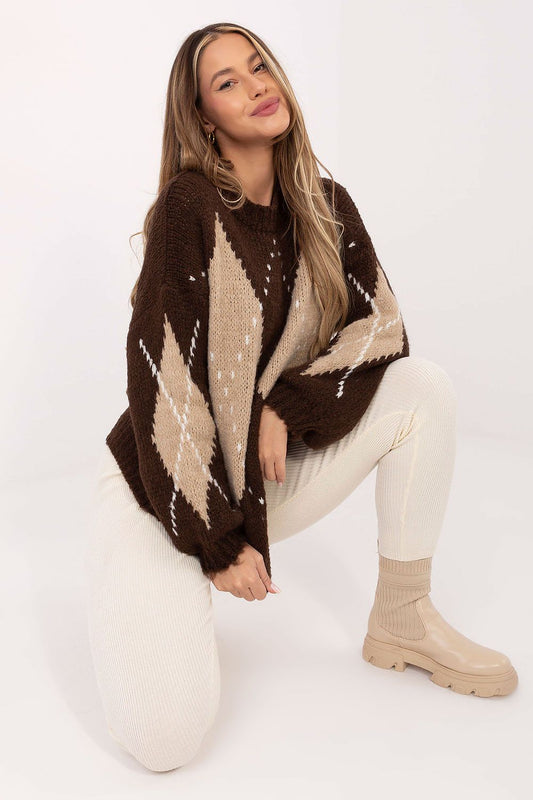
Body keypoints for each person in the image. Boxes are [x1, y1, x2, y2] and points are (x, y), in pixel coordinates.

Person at [84, 22, 518, 773]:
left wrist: (284, 405)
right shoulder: (191, 209)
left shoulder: (324, 204)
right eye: (227, 82)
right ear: (203, 116)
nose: (254, 86)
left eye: (258, 67)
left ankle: (401, 615)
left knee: (421, 390)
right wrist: (215, 540)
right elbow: (164, 378)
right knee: (164, 746)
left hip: (254, 476)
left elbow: (380, 326)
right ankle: (143, 592)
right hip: (162, 496)